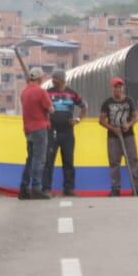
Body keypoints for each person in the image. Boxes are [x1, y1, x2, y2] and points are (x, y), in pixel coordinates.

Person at [99, 77, 138, 196]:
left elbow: (136, 117)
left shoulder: (129, 101)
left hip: (128, 135)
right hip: (113, 137)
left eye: (120, 87)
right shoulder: (107, 102)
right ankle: (115, 189)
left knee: (133, 160)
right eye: (115, 87)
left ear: (122, 88)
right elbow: (101, 120)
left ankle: (137, 188)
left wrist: (129, 125)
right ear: (112, 88)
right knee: (114, 162)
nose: (118, 89)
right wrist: (113, 128)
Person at [43, 69, 86, 197]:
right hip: (52, 131)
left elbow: (84, 106)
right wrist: (45, 121)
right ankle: (46, 189)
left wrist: (77, 119)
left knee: (68, 160)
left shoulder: (72, 93)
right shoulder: (47, 93)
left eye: (55, 79)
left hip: (67, 131)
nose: (53, 81)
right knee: (48, 161)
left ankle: (69, 189)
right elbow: (41, 108)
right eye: (52, 78)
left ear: (62, 80)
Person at [18, 68, 53, 200]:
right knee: (39, 159)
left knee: (30, 159)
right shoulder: (41, 91)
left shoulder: (24, 92)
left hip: (28, 129)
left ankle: (24, 187)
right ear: (40, 79)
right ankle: (36, 188)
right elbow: (50, 109)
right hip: (40, 128)